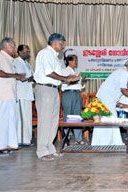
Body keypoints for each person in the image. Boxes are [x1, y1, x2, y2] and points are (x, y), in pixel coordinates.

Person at [34, 33, 80, 161]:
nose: (63, 46)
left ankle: (50, 148)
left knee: (53, 121)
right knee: (45, 120)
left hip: (54, 89)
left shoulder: (55, 57)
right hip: (45, 88)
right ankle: (42, 151)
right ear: (54, 43)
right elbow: (49, 73)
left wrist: (70, 79)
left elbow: (59, 76)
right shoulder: (45, 53)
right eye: (61, 43)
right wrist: (66, 78)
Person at [0, 37, 27, 158]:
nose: (15, 48)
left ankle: (4, 146)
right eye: (13, 46)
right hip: (1, 95)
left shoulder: (9, 59)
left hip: (9, 95)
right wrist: (15, 75)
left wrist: (16, 76)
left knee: (9, 121)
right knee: (0, 121)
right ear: (5, 46)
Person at [91, 59, 128, 145]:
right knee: (107, 120)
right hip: (106, 99)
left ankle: (108, 143)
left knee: (111, 119)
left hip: (107, 99)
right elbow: (123, 90)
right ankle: (105, 144)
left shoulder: (121, 71)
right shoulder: (124, 72)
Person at [61, 49, 86, 144]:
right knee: (68, 115)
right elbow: (64, 84)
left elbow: (81, 86)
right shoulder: (63, 71)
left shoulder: (77, 71)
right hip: (68, 94)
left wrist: (82, 80)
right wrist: (74, 79)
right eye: (75, 60)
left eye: (77, 60)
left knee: (77, 116)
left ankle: (78, 139)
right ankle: (66, 138)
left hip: (77, 93)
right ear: (70, 61)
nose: (76, 62)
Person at [14, 45, 34, 146]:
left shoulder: (27, 64)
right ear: (19, 52)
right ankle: (21, 140)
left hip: (28, 94)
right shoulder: (16, 62)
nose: (28, 53)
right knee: (22, 118)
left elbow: (31, 77)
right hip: (21, 94)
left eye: (29, 51)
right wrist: (29, 78)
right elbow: (20, 77)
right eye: (26, 51)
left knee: (27, 117)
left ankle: (27, 139)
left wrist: (32, 77)